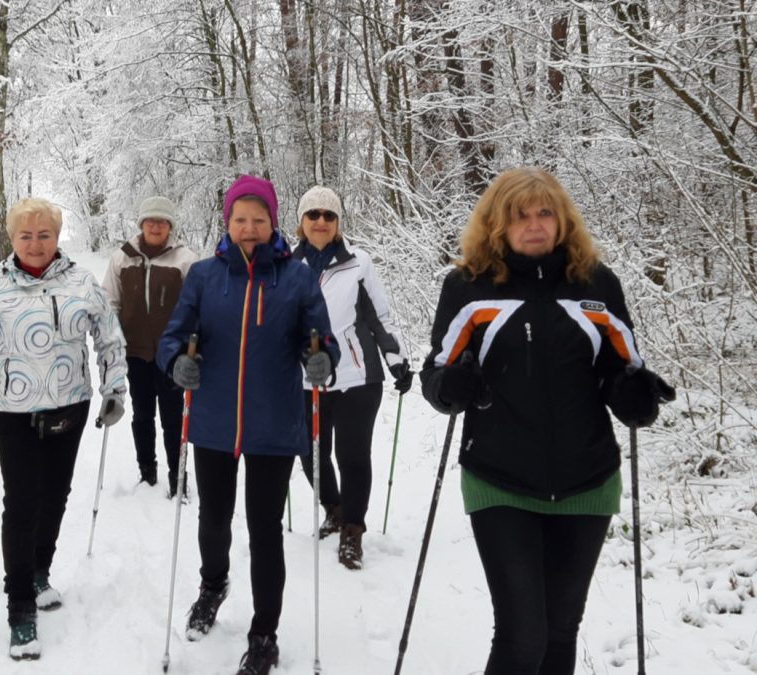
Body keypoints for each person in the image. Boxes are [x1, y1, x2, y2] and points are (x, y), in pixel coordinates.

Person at [419, 167, 675, 675]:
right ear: (497, 224)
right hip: (500, 479)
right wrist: (451, 387)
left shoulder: (596, 285)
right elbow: (437, 372)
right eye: (520, 216)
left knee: (560, 630)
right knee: (522, 634)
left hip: (587, 479)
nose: (534, 225)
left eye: (544, 213)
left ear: (561, 221)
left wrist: (633, 395)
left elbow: (621, 367)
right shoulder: (469, 287)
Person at [157, 175, 339, 675]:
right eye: (241, 219)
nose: (250, 229)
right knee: (213, 521)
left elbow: (319, 338)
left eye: (259, 220)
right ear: (227, 221)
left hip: (274, 425)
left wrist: (321, 359)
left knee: (265, 532)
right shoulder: (202, 275)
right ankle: (213, 586)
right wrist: (176, 363)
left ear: (273, 222)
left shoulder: (298, 278)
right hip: (214, 420)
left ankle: (264, 633)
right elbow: (170, 338)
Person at [0, 197, 128, 661]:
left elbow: (109, 337)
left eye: (44, 235)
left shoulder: (82, 282)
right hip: (14, 412)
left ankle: (39, 570)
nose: (35, 244)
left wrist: (114, 389)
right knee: (21, 504)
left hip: (71, 404)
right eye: (26, 235)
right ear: (12, 238)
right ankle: (20, 606)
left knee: (56, 495)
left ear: (57, 238)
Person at [290, 186, 412, 570]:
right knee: (310, 453)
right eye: (313, 215)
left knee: (352, 455)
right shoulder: (287, 267)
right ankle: (335, 508)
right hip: (307, 378)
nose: (321, 222)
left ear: (338, 223)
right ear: (301, 222)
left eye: (329, 215)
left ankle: (353, 532)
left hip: (358, 376)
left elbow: (379, 316)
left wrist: (397, 358)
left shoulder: (359, 263)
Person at [102, 195, 198, 496]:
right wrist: (113, 337)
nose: (156, 226)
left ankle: (177, 476)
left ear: (170, 225)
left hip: (172, 355)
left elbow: (196, 306)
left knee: (173, 418)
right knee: (142, 415)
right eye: (150, 221)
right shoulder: (122, 257)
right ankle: (147, 472)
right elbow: (110, 301)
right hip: (134, 352)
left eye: (162, 221)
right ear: (141, 224)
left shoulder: (185, 260)